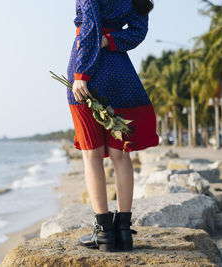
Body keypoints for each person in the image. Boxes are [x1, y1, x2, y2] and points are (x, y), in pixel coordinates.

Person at [66, 0, 159, 252]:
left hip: (89, 67)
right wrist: (111, 41)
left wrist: (80, 74)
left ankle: (104, 232)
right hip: (120, 72)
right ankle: (123, 231)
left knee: (91, 155)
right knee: (120, 154)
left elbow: (90, 26)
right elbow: (138, 31)